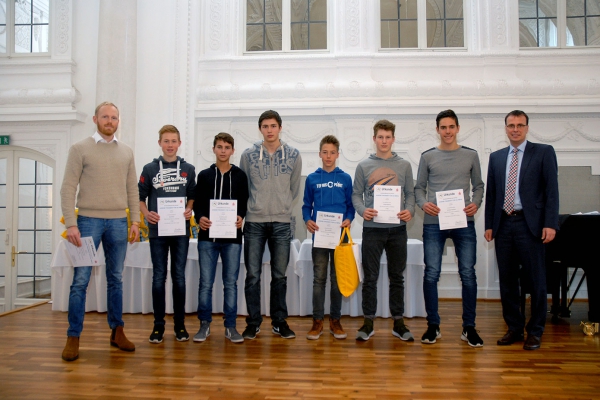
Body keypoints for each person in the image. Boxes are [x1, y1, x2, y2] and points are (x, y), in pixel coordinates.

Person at [60, 102, 140, 361]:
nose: (109, 120)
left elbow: (132, 191)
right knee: (80, 281)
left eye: (114, 117)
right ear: (95, 119)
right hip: (87, 222)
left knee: (116, 279)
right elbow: (68, 188)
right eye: (105, 116)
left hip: (118, 222)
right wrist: (71, 223)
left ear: (118, 121)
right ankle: (73, 336)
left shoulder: (126, 152)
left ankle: (117, 332)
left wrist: (136, 222)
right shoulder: (79, 149)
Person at [484, 110, 559, 351]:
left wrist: (550, 223)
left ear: (527, 128)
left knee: (536, 280)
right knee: (507, 280)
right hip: (504, 224)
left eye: (520, 125)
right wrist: (489, 225)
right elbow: (492, 195)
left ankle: (535, 331)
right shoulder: (496, 157)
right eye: (511, 125)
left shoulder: (544, 152)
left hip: (531, 225)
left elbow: (551, 191)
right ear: (505, 128)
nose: (515, 129)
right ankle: (514, 328)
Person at [415, 109, 485, 347]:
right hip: (434, 223)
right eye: (443, 127)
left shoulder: (471, 155)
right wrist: (424, 204)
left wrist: (475, 204)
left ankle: (469, 327)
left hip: (463, 221)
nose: (447, 131)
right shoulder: (427, 157)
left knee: (468, 273)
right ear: (437, 130)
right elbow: (418, 188)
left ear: (457, 128)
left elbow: (478, 186)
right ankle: (433, 326)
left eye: (451, 127)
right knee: (431, 273)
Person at [239, 110, 302, 340]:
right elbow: (244, 187)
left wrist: (283, 206)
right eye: (265, 126)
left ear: (280, 127)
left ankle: (279, 321)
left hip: (282, 223)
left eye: (273, 125)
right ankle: (253, 322)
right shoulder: (248, 155)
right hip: (254, 222)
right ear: (260, 129)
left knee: (279, 275)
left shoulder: (294, 155)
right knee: (253, 275)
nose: (269, 130)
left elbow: (294, 189)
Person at [352, 119, 416, 341]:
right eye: (380, 137)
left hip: (398, 229)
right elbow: (355, 195)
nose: (384, 141)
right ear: (374, 139)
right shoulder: (363, 166)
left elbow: (411, 194)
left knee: (397, 277)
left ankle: (398, 322)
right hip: (372, 229)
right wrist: (362, 210)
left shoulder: (404, 165)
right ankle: (368, 322)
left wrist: (409, 211)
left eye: (388, 137)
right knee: (370, 277)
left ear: (393, 139)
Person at [139, 124, 196, 344]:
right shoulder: (149, 169)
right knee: (158, 277)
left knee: (179, 278)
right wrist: (146, 214)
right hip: (157, 230)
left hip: (180, 230)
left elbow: (192, 195)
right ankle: (158, 326)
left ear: (179, 144)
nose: (170, 145)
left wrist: (190, 208)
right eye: (166, 141)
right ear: (160, 143)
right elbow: (140, 197)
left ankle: (180, 325)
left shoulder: (188, 169)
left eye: (174, 141)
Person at [193, 132, 249, 343]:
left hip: (232, 238)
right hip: (207, 237)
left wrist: (240, 216)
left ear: (232, 151)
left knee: (231, 283)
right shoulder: (204, 175)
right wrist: (200, 218)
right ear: (214, 149)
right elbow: (198, 203)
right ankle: (204, 325)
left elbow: (243, 202)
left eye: (227, 147)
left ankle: (231, 327)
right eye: (219, 147)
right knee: (205, 283)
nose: (223, 150)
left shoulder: (241, 176)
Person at [302, 135, 355, 340]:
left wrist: (349, 219)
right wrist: (308, 220)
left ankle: (335, 320)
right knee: (319, 279)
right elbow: (306, 206)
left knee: (337, 280)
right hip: (320, 237)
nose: (328, 156)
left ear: (338, 154)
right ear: (319, 154)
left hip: (340, 237)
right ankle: (317, 322)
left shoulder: (345, 178)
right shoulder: (312, 178)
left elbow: (350, 207)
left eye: (332, 152)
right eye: (325, 152)